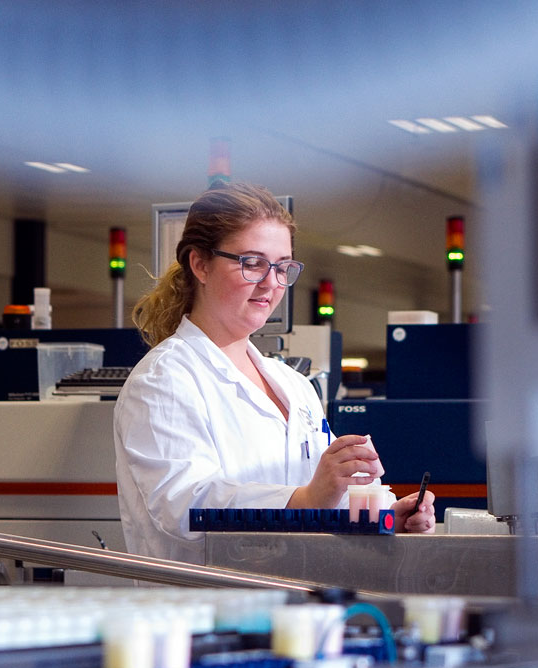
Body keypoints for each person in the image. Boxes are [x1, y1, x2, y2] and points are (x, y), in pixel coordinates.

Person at [114, 182, 435, 563]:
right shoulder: (165, 380)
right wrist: (306, 500)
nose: (271, 283)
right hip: (204, 609)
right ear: (200, 264)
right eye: (252, 263)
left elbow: (321, 505)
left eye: (282, 267)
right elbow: (182, 508)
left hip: (294, 606)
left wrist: (376, 517)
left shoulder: (294, 386)